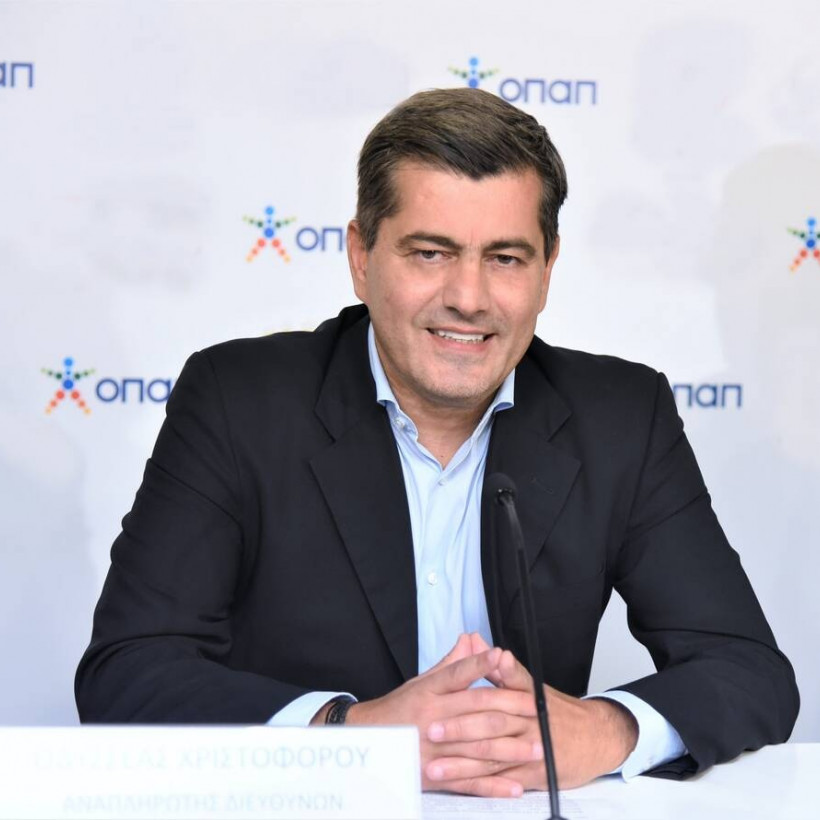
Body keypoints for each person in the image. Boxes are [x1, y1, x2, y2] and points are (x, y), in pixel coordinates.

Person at [76, 88, 799, 798]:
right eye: (430, 253)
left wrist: (604, 731)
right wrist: (350, 734)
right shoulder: (238, 401)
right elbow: (128, 671)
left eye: (506, 258)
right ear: (361, 257)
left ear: (548, 269)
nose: (469, 297)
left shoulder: (621, 416)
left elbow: (748, 671)